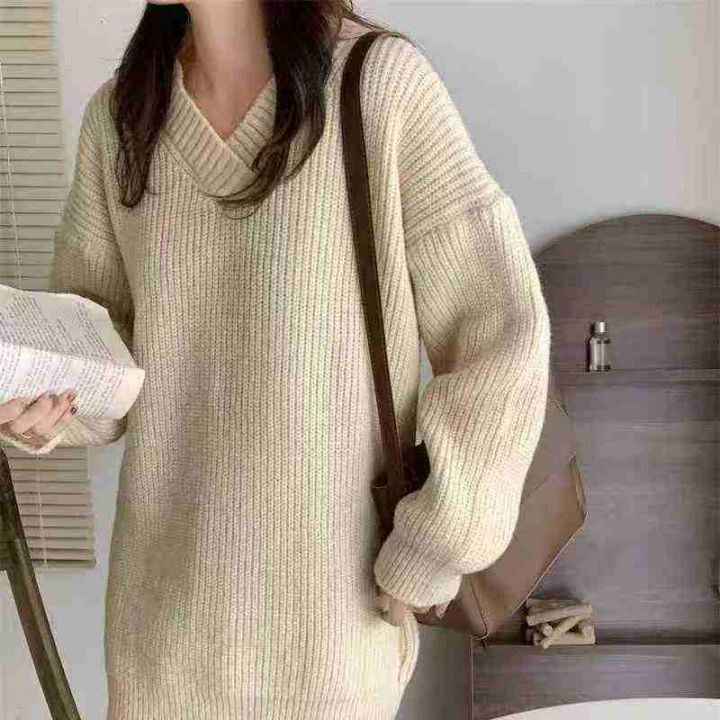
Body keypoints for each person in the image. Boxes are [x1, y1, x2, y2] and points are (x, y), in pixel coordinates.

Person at [0, 1, 551, 718]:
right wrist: (44, 408)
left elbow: (501, 336)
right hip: (163, 646)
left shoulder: (377, 86)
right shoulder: (121, 117)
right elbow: (106, 354)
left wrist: (435, 545)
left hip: (331, 644)